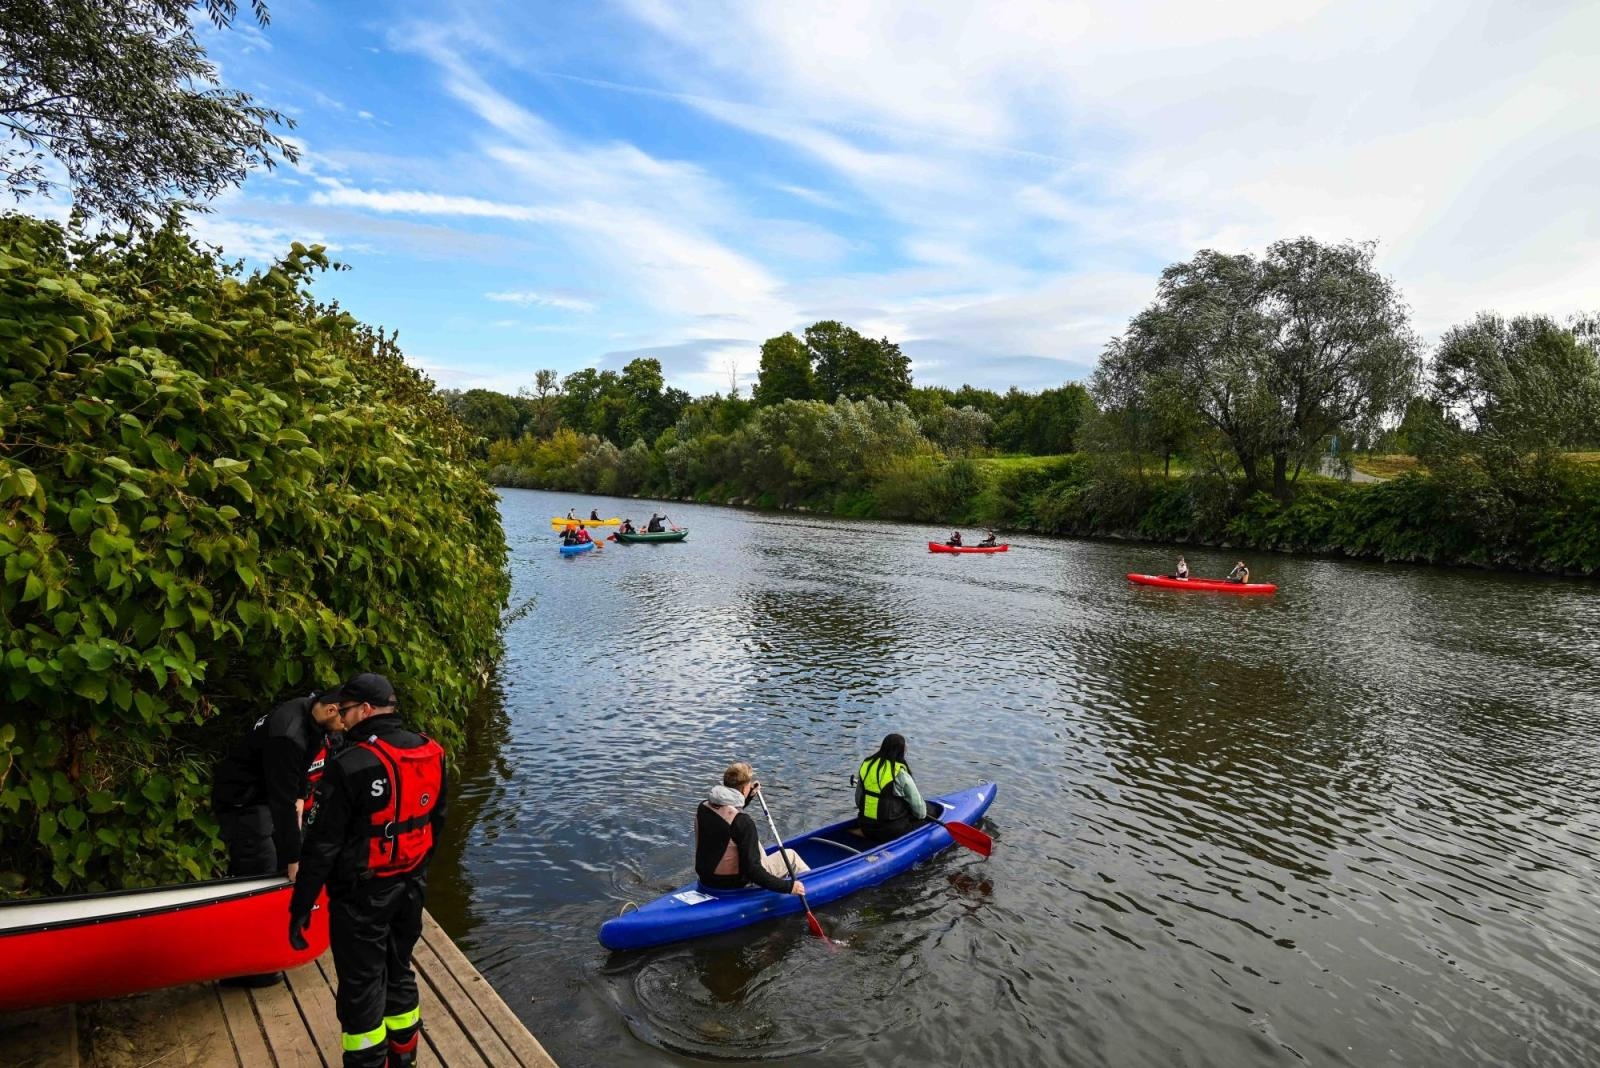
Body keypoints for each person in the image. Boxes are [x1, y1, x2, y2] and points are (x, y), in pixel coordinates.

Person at [291, 674, 447, 1068]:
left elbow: (321, 847)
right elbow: (437, 821)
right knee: (399, 971)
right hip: (411, 886)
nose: (340, 720)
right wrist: (417, 871)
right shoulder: (431, 752)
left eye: (344, 711)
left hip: (362, 898)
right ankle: (403, 1059)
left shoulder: (350, 764)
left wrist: (301, 907)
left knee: (361, 988)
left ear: (364, 709)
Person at [211, 689, 343, 986]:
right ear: (333, 710)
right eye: (346, 719)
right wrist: (294, 859)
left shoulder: (313, 717)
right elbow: (280, 804)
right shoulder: (288, 732)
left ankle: (262, 949)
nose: (347, 727)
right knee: (259, 870)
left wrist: (300, 796)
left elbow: (300, 769)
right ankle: (242, 971)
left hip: (269, 794)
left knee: (276, 863)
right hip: (242, 800)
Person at [694, 762, 809, 896]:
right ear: (743, 789)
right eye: (748, 786)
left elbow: (728, 819)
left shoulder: (703, 807)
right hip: (734, 883)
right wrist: (788, 887)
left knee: (755, 844)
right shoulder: (744, 823)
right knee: (791, 856)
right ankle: (808, 889)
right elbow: (753, 871)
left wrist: (748, 798)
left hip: (707, 879)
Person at [854, 733, 927, 844]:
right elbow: (920, 811)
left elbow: (858, 800)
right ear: (901, 751)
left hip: (865, 826)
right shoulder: (900, 773)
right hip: (891, 831)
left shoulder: (867, 766)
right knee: (928, 814)